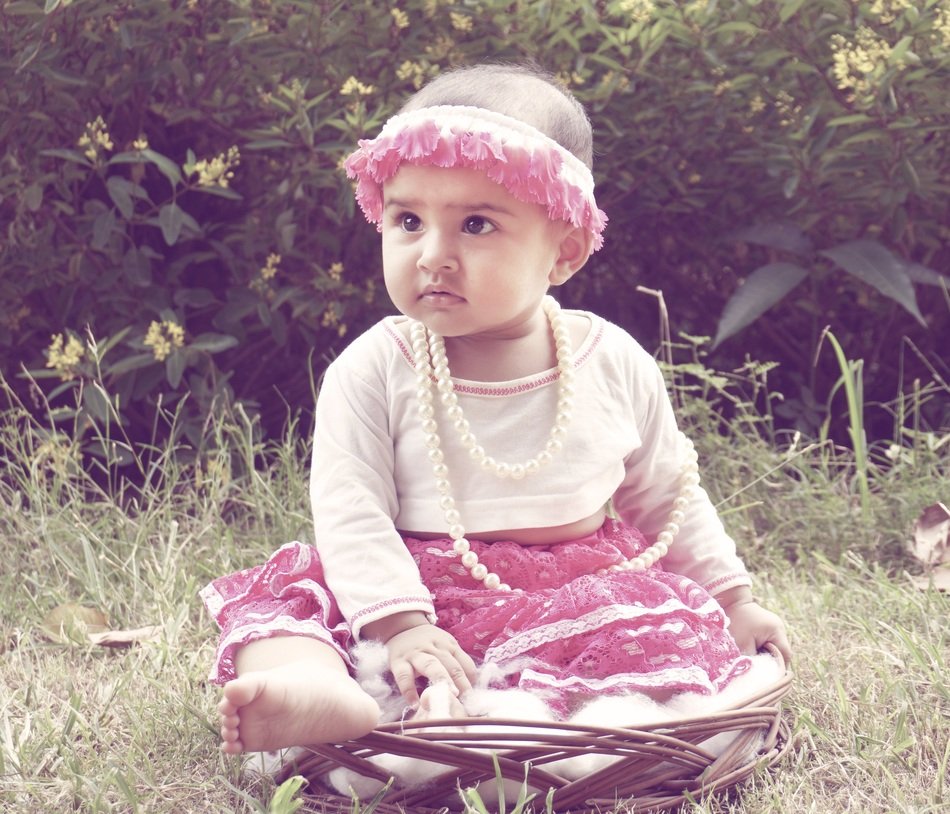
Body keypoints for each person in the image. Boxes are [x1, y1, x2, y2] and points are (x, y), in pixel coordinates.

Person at [202, 63, 791, 757]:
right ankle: (316, 692)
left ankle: (574, 727)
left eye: (476, 224)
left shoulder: (609, 359)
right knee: (288, 606)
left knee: (651, 630)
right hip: (410, 593)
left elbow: (668, 492)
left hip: (577, 595)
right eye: (408, 220)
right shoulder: (376, 367)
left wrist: (732, 598)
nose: (433, 255)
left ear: (564, 252)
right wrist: (401, 625)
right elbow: (350, 510)